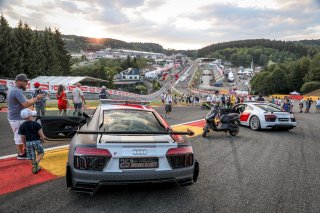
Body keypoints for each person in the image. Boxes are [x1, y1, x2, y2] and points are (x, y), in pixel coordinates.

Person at [7, 74, 45, 159]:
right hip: (16, 118)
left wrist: (30, 103)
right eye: (25, 82)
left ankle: (22, 152)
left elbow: (24, 102)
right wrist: (37, 98)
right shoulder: (16, 91)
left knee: (19, 135)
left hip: (14, 117)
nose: (27, 84)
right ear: (20, 81)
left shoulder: (12, 89)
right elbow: (25, 104)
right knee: (19, 136)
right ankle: (21, 154)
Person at [18, 108, 45, 174]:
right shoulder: (36, 124)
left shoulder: (22, 126)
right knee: (41, 153)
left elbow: (22, 137)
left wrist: (24, 145)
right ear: (30, 116)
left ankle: (35, 167)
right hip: (36, 141)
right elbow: (41, 133)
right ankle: (36, 162)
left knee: (31, 156)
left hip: (28, 143)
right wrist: (43, 139)